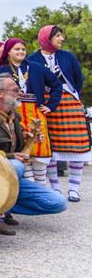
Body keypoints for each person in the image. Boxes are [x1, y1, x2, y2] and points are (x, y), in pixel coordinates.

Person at [0, 74, 67, 221]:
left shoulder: (14, 118)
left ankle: (2, 208)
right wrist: (11, 157)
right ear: (0, 93)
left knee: (58, 202)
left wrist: (29, 140)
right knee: (16, 166)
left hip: (9, 178)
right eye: (15, 90)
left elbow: (18, 149)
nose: (21, 93)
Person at [29, 25, 90, 202]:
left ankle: (74, 189)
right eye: (57, 36)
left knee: (77, 145)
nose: (61, 39)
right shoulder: (32, 59)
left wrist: (70, 95)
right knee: (51, 147)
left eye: (61, 36)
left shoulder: (67, 56)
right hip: (46, 105)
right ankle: (55, 187)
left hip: (70, 103)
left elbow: (78, 80)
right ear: (46, 38)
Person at [0, 38, 62, 187]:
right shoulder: (2, 71)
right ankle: (30, 186)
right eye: (17, 49)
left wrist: (51, 105)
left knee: (39, 150)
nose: (21, 52)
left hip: (35, 113)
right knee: (21, 148)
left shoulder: (36, 67)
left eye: (23, 49)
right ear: (8, 52)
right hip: (13, 115)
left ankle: (41, 186)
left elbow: (56, 85)